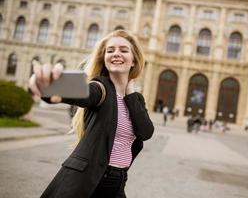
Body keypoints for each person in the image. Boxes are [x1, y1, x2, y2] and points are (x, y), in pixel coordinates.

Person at [28, 30, 154, 198]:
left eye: (123, 50)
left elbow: (145, 132)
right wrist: (51, 87)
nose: (116, 54)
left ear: (134, 60)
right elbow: (84, 92)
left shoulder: (136, 99)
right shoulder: (100, 88)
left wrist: (130, 95)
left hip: (118, 180)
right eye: (110, 50)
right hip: (90, 180)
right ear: (104, 60)